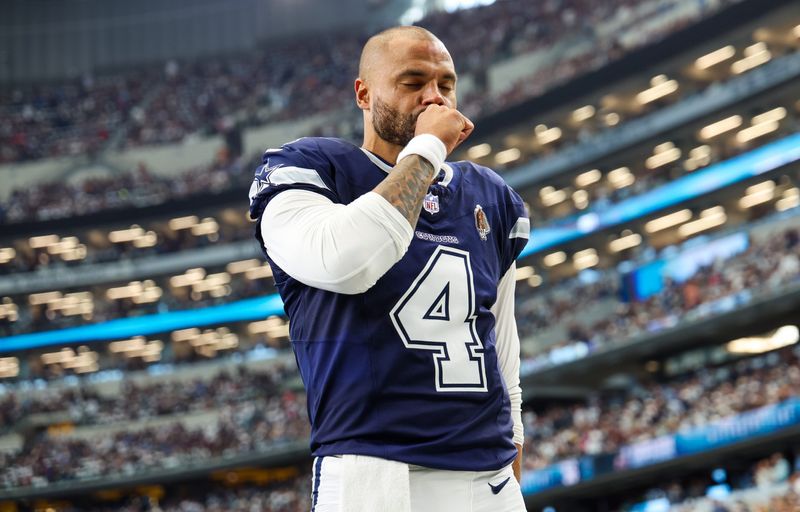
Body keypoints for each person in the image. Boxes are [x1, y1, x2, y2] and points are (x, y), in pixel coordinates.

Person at [249, 25, 529, 512]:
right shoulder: (312, 170)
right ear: (364, 93)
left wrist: (512, 462)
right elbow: (347, 261)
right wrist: (427, 151)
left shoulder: (490, 197)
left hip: (487, 476)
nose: (434, 98)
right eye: (412, 81)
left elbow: (502, 350)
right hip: (374, 474)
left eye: (446, 83)